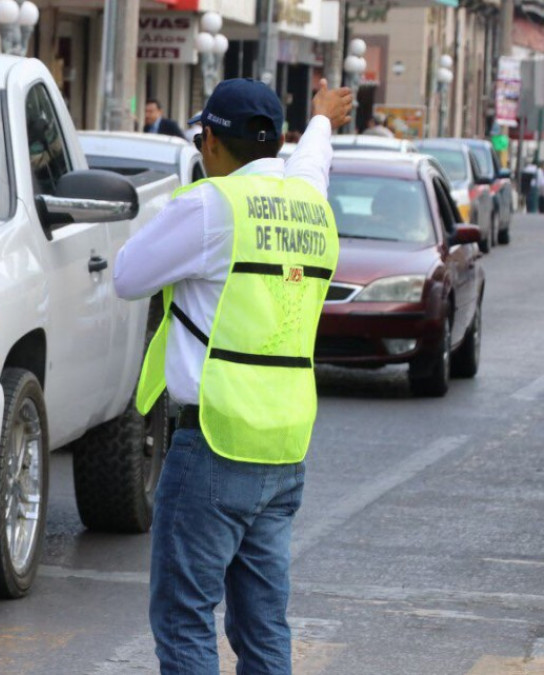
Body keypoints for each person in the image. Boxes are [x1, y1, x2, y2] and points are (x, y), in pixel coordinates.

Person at [114, 78, 353, 674]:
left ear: (211, 140)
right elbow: (313, 163)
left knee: (183, 614)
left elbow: (126, 275)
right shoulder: (310, 205)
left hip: (216, 439)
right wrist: (320, 119)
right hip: (283, 445)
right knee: (264, 624)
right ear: (274, 146)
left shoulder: (211, 204)